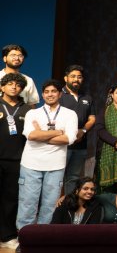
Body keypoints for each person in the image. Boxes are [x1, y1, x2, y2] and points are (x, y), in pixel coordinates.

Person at [18, 80, 79, 233]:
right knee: (27, 202)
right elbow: (31, 136)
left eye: (53, 91)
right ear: (42, 94)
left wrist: (42, 134)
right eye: (46, 92)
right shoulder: (33, 113)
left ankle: (42, 237)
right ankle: (25, 237)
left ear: (59, 94)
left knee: (50, 204)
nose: (50, 94)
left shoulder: (70, 114)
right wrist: (57, 132)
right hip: (31, 164)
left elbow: (69, 139)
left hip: (56, 165)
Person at [0, 73, 27, 248]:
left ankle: (7, 236)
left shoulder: (28, 109)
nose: (14, 87)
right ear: (2, 87)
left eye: (18, 84)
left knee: (11, 198)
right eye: (9, 84)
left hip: (17, 159)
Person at [61, 65, 95, 194]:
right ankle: (56, 209)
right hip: (63, 144)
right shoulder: (59, 95)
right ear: (66, 78)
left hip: (81, 145)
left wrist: (83, 131)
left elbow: (92, 119)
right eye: (73, 76)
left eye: (79, 77)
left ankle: (69, 206)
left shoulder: (87, 97)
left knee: (73, 178)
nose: (76, 79)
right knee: (57, 177)